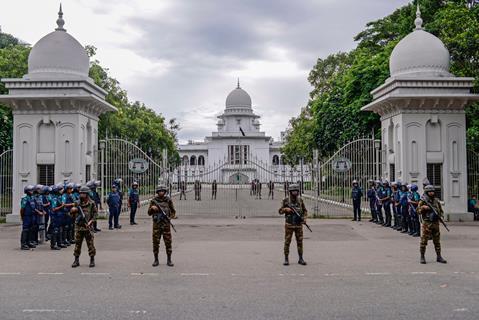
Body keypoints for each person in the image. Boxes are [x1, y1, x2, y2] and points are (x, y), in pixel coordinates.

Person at [278, 183, 308, 266]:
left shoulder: (300, 200)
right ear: (290, 192)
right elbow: (280, 211)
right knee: (287, 242)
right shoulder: (286, 200)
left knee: (300, 242)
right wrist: (285, 209)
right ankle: (286, 259)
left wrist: (304, 219)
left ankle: (301, 258)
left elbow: (305, 211)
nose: (295, 193)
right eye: (293, 191)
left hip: (298, 225)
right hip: (289, 225)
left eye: (296, 191)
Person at [417, 185, 447, 264]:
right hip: (427, 223)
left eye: (432, 191)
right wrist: (423, 208)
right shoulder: (423, 201)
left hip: (435, 223)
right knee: (424, 241)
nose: (431, 193)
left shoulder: (436, 200)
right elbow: (418, 211)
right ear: (427, 192)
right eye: (430, 191)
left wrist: (441, 216)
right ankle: (422, 256)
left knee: (437, 241)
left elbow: (440, 210)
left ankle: (439, 256)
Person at [148, 185, 176, 267]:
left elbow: (173, 211)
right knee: (156, 243)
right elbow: (149, 213)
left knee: (168, 242)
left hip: (166, 225)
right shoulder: (154, 201)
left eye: (163, 191)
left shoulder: (168, 200)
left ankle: (169, 260)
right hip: (156, 225)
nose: (161, 192)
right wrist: (152, 208)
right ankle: (156, 260)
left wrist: (169, 217)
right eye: (160, 191)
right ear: (157, 192)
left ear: (165, 192)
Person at [71, 186, 97, 268]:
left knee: (90, 244)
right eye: (81, 193)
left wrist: (90, 221)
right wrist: (73, 211)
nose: (82, 195)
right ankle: (76, 260)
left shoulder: (92, 203)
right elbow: (71, 215)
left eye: (83, 193)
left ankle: (92, 260)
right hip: (79, 227)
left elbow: (95, 215)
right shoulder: (77, 203)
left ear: (87, 194)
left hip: (88, 227)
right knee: (77, 244)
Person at [20, 185, 36, 250]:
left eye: (32, 190)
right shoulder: (25, 198)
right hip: (26, 216)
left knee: (31, 229)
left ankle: (29, 242)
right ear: (27, 191)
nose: (32, 192)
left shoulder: (32, 198)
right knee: (25, 230)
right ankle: (23, 244)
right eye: (31, 190)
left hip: (32, 216)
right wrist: (22, 216)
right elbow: (22, 209)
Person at [49, 184, 64, 250]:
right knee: (55, 230)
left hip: (59, 216)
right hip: (55, 216)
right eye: (60, 190)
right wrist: (62, 206)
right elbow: (53, 209)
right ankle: (53, 244)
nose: (61, 191)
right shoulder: (54, 198)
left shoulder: (59, 197)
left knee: (60, 229)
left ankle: (59, 243)